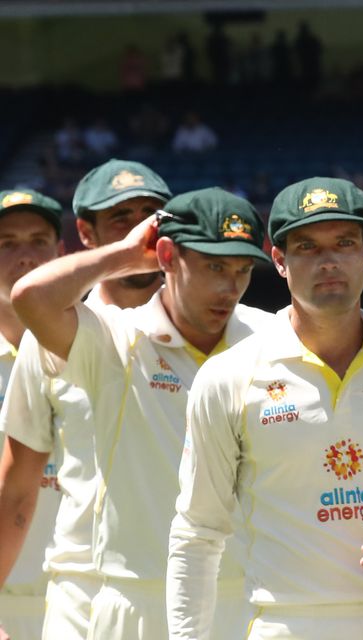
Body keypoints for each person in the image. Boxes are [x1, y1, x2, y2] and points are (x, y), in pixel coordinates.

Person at [11, 187, 273, 640]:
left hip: (243, 597)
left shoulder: (269, 338)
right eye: (213, 267)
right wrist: (126, 255)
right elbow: (31, 296)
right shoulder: (116, 340)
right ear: (167, 256)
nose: (230, 288)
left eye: (242, 270)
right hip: (134, 600)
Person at [167, 177, 363, 639]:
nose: (328, 261)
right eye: (307, 246)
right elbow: (197, 532)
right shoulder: (229, 376)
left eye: (343, 243)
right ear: (279, 260)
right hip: (285, 623)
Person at [0, 159, 171, 640]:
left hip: (184, 588)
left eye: (150, 213)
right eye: (121, 218)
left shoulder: (209, 329)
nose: (139, 228)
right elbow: (16, 490)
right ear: (86, 233)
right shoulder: (50, 337)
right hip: (76, 594)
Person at [0, 188, 65, 639]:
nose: (25, 256)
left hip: (91, 597)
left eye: (39, 241)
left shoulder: (104, 345)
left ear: (61, 253)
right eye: (7, 244)